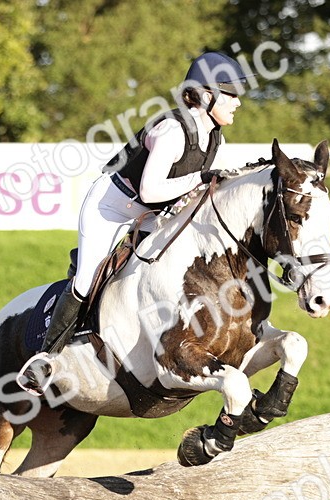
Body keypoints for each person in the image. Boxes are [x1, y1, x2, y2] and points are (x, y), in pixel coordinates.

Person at [19, 51, 250, 395]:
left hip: (153, 213)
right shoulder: (172, 130)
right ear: (206, 95)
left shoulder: (216, 138)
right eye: (231, 94)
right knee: (87, 279)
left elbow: (185, 191)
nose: (238, 102)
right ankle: (45, 358)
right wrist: (202, 178)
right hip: (113, 206)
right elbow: (150, 189)